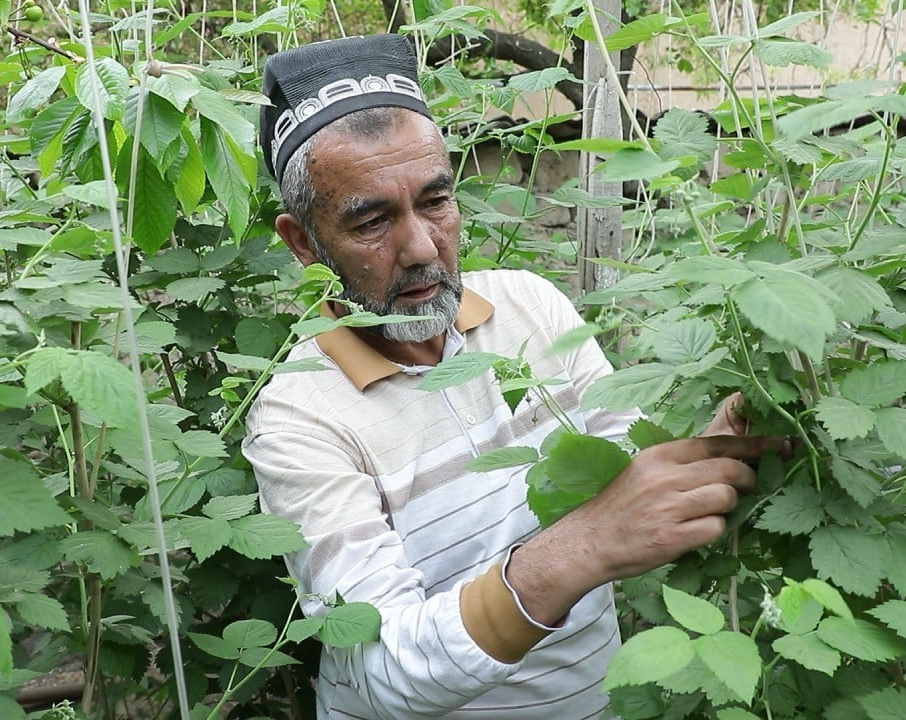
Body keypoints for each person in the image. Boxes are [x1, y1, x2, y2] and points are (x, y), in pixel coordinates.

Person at [242, 34, 783, 720]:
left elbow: (622, 484)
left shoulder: (532, 305)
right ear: (302, 243)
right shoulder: (299, 421)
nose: (419, 247)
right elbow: (385, 669)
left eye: (435, 202)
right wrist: (586, 544)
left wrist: (712, 453)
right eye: (372, 221)